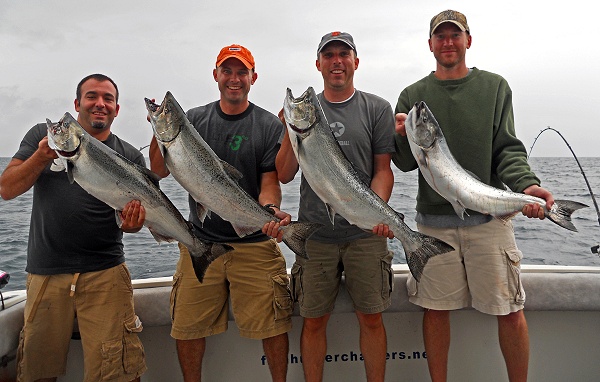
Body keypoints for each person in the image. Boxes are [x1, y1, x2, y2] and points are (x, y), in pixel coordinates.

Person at [392, 10, 554, 382]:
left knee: (510, 311)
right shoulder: (413, 96)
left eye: (455, 35)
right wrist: (400, 136)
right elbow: (402, 163)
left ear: (468, 40)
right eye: (440, 36)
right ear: (430, 44)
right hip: (432, 227)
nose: (448, 42)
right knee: (435, 311)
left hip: (489, 219)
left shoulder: (495, 87)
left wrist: (527, 187)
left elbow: (508, 150)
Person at [149, 44, 292, 382]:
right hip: (200, 242)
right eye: (227, 71)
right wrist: (159, 131)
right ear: (215, 75)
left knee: (273, 327)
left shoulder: (268, 125)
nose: (234, 78)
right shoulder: (193, 120)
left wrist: (269, 210)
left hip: (256, 244)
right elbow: (159, 170)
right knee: (186, 328)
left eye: (241, 71)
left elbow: (270, 182)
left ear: (253, 78)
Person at [0, 74, 147, 382]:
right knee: (37, 371)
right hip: (46, 273)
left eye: (108, 99)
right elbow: (7, 189)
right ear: (78, 104)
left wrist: (133, 224)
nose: (100, 104)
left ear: (117, 110)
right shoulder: (43, 136)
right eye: (92, 96)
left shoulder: (130, 155)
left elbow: (128, 221)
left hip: (106, 272)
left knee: (117, 372)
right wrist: (40, 156)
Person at [276, 32, 396, 382]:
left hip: (366, 235)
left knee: (371, 318)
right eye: (329, 56)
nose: (337, 61)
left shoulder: (377, 108)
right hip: (315, 234)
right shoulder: (304, 113)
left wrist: (379, 214)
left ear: (356, 62)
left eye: (344, 54)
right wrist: (289, 130)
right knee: (313, 321)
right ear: (318, 64)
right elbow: (283, 175)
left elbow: (383, 170)